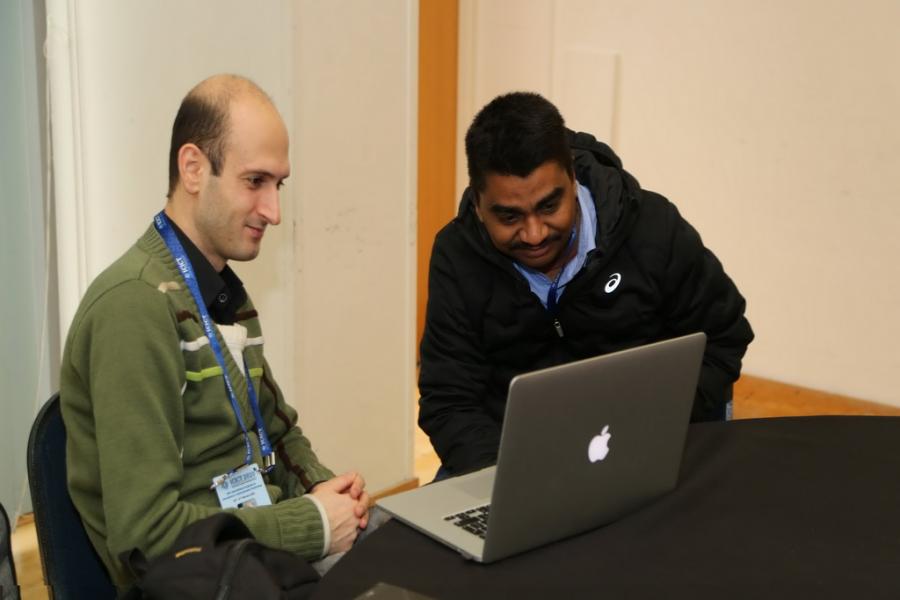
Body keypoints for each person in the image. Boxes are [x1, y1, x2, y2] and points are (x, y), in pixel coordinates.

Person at [60, 74, 369, 587]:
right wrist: (311, 525)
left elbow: (277, 431)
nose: (273, 212)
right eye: (255, 181)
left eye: (278, 185)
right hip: (199, 581)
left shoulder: (223, 294)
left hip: (259, 557)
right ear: (194, 168)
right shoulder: (133, 307)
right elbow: (148, 534)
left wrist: (330, 495)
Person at [418, 92, 754, 477]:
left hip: (647, 443)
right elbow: (449, 399)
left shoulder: (651, 228)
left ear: (573, 179)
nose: (534, 234)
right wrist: (507, 479)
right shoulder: (457, 256)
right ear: (478, 206)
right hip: (509, 460)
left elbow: (721, 338)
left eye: (549, 206)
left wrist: (655, 430)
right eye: (509, 217)